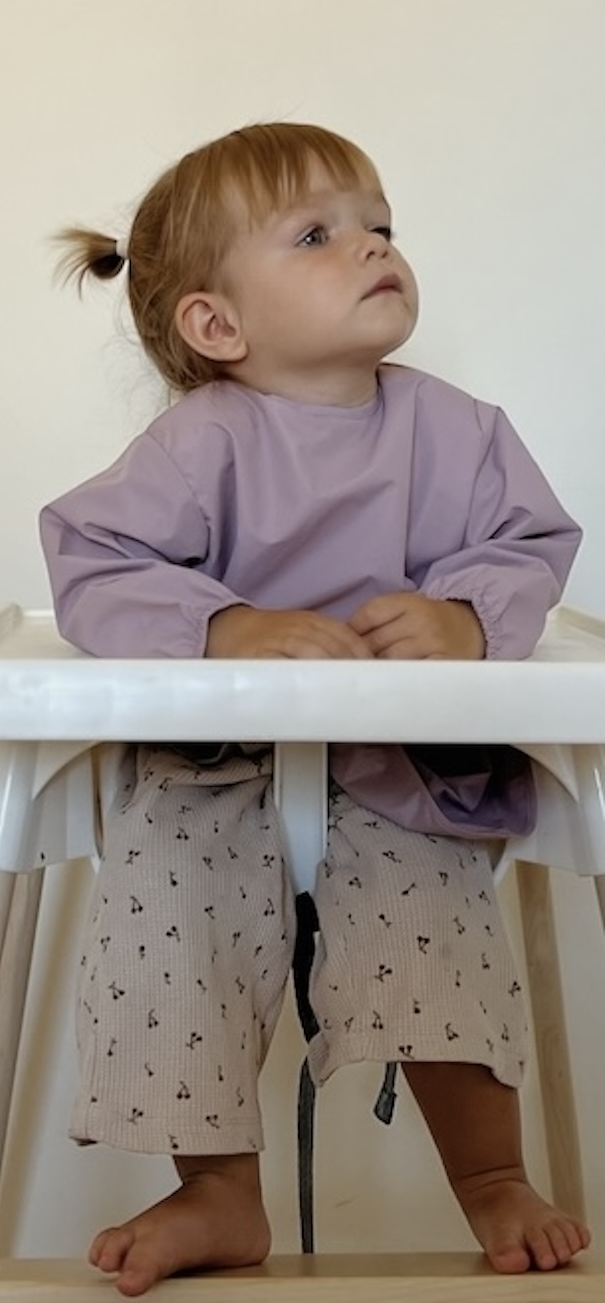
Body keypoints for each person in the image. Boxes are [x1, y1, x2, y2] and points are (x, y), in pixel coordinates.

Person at [39, 121, 589, 1297]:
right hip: (217, 765)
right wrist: (222, 625)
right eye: (316, 234)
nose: (372, 246)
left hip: (396, 764)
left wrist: (466, 617)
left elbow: (528, 544)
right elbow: (92, 559)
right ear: (215, 325)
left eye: (378, 224)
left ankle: (493, 1175)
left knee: (432, 919)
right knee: (163, 915)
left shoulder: (459, 432)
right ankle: (216, 1189)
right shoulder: (200, 444)